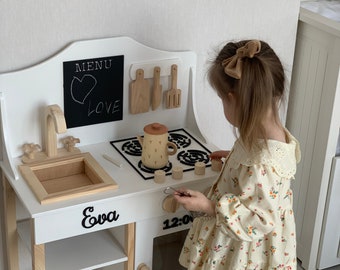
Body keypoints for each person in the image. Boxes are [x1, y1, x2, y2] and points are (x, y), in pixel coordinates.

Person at [174, 40, 301, 269]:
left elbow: (258, 219)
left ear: (232, 100)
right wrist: (236, 159)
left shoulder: (262, 164)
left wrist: (208, 207)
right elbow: (260, 186)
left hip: (245, 251)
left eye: (222, 100)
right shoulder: (272, 134)